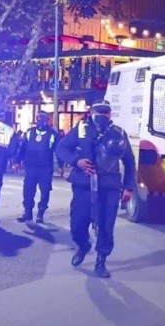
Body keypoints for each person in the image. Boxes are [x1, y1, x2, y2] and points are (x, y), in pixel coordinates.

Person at [55, 100, 136, 278]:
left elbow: (129, 162)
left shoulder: (119, 133)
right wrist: (76, 161)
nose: (102, 115)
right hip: (84, 185)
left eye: (105, 112)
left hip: (109, 186)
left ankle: (101, 261)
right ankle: (83, 246)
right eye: (99, 111)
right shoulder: (81, 128)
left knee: (106, 225)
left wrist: (129, 187)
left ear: (110, 113)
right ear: (91, 112)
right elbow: (61, 148)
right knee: (77, 223)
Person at [16, 111, 59, 224]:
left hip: (46, 168)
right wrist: (17, 161)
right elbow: (23, 148)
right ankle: (28, 213)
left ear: (47, 120)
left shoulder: (52, 134)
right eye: (39, 118)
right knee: (28, 191)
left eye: (43, 118)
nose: (41, 121)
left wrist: (59, 165)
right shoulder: (30, 132)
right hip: (31, 167)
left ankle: (40, 213)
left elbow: (57, 150)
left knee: (45, 191)